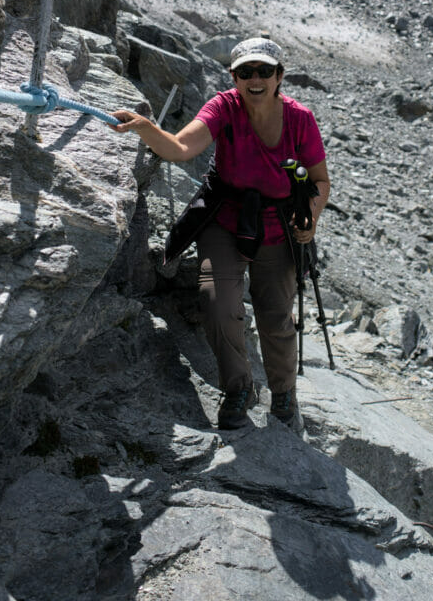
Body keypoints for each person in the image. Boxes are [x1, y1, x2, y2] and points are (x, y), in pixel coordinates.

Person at [112, 37, 330, 430]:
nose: (256, 79)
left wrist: (309, 218)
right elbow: (180, 147)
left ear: (280, 76)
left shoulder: (301, 119)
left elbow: (319, 180)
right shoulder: (224, 106)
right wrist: (145, 128)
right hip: (225, 219)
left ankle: (282, 394)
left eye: (265, 71)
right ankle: (238, 389)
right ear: (234, 77)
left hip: (280, 227)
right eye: (246, 72)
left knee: (276, 314)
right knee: (217, 301)